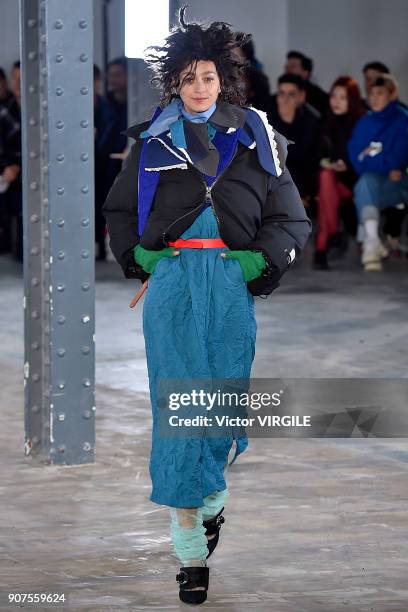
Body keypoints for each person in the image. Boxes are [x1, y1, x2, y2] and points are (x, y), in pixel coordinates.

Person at [102, 7, 311, 605]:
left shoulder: (257, 138)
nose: (200, 87)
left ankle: (211, 497)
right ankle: (190, 552)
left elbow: (290, 218)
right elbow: (120, 212)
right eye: (189, 77)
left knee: (221, 407)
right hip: (171, 287)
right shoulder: (151, 140)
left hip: (228, 285)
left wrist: (258, 264)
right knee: (179, 408)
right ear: (174, 82)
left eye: (209, 77)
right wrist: (142, 258)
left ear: (224, 80)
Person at [348, 74, 408, 271]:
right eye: (371, 93)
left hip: (398, 186)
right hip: (374, 184)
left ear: (392, 95)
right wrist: (378, 161)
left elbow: (398, 158)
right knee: (366, 183)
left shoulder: (402, 120)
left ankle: (371, 242)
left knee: (364, 187)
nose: (374, 98)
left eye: (380, 93)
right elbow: (355, 159)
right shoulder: (364, 122)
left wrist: (368, 157)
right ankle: (373, 242)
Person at [314, 76, 366, 269]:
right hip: (331, 179)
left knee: (326, 185)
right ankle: (333, 234)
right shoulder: (325, 121)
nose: (336, 101)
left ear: (352, 100)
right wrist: (325, 163)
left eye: (342, 97)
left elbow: (365, 157)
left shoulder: (361, 123)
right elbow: (316, 154)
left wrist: (348, 166)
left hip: (356, 181)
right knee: (325, 177)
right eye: (334, 96)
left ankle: (324, 243)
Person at [267, 73, 321, 205]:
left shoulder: (312, 120)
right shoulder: (267, 118)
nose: (285, 99)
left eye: (291, 94)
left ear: (301, 97)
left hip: (302, 177)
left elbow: (309, 159)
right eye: (281, 93)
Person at [0, 61, 22, 258]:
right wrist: (8, 166)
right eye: (15, 80)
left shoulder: (47, 113)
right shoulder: (5, 112)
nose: (18, 85)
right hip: (10, 174)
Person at [285, 50, 329, 115]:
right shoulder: (280, 95)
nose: (288, 70)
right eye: (287, 67)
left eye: (292, 67)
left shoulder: (317, 96)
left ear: (305, 73)